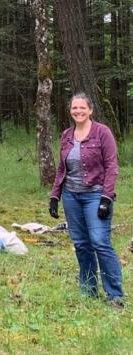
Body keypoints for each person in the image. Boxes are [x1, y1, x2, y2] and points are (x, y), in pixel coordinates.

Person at [49, 93, 124, 308]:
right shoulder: (66, 135)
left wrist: (106, 198)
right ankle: (89, 289)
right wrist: (55, 195)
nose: (78, 111)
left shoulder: (102, 132)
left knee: (100, 241)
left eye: (82, 108)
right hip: (71, 196)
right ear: (70, 110)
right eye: (75, 108)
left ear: (90, 110)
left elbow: (111, 166)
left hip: (95, 195)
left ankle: (115, 295)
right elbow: (62, 168)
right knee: (81, 244)